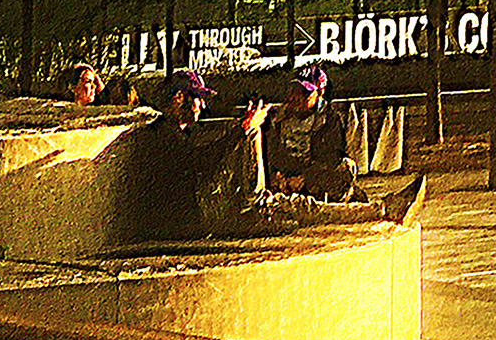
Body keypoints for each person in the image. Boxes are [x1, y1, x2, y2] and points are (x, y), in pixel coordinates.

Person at [144, 68, 422, 243]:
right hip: (198, 220)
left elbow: (328, 158)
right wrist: (243, 133)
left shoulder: (171, 133)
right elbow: (200, 164)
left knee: (309, 194)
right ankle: (381, 210)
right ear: (179, 98)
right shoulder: (164, 136)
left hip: (220, 203)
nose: (202, 106)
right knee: (295, 206)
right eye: (197, 98)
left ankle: (377, 208)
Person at [263, 61, 361, 201]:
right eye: (294, 91)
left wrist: (305, 178)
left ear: (319, 93)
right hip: (283, 179)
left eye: (305, 92)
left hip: (311, 179)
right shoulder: (278, 119)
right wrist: (280, 176)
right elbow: (271, 152)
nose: (297, 97)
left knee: (345, 167)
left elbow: (331, 158)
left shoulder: (328, 119)